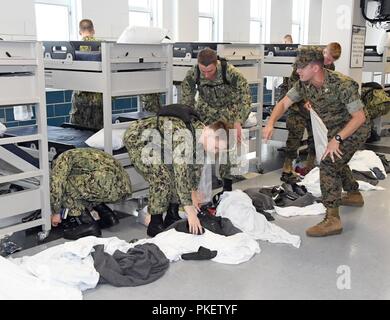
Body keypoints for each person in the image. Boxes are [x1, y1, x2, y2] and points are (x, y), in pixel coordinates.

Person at [263, 46, 370, 237]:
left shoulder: (342, 84)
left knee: (328, 163)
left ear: (315, 68)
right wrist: (270, 123)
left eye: (301, 67)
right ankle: (354, 193)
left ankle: (332, 219)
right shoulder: (304, 84)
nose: (297, 71)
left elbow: (359, 117)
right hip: (334, 128)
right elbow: (283, 103)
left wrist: (337, 139)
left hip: (355, 128)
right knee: (336, 158)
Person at [123, 104, 232, 237]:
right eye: (215, 147)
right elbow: (181, 173)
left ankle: (172, 215)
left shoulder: (201, 138)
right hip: (139, 139)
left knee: (177, 175)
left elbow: (194, 171)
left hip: (162, 143)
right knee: (162, 177)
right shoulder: (184, 136)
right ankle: (155, 223)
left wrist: (192, 193)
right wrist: (190, 211)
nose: (215, 152)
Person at [180, 48, 252, 191]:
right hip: (205, 110)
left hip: (228, 111)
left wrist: (239, 121)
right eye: (203, 71)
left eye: (210, 71)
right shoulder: (193, 73)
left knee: (228, 147)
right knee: (198, 145)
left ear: (216, 63)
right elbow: (187, 97)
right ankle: (195, 187)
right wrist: (189, 118)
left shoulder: (231, 72)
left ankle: (227, 186)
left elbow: (245, 97)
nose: (206, 75)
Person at [278, 42, 342, 182]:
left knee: (316, 136)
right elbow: (293, 85)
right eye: (328, 58)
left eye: (332, 60)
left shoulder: (330, 67)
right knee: (295, 133)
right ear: (324, 52)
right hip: (297, 104)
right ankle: (287, 168)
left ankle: (310, 167)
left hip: (315, 108)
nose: (329, 62)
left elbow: (326, 86)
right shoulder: (304, 62)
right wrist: (304, 101)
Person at [50, 148, 132, 240]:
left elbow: (57, 184)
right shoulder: (83, 153)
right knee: (83, 185)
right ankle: (108, 216)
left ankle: (88, 225)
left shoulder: (62, 158)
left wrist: (56, 213)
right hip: (124, 187)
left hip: (107, 185)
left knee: (65, 185)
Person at [69, 19, 104, 130]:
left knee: (77, 129)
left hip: (80, 93)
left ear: (80, 32)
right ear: (93, 30)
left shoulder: (73, 48)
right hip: (97, 94)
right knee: (97, 129)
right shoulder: (102, 46)